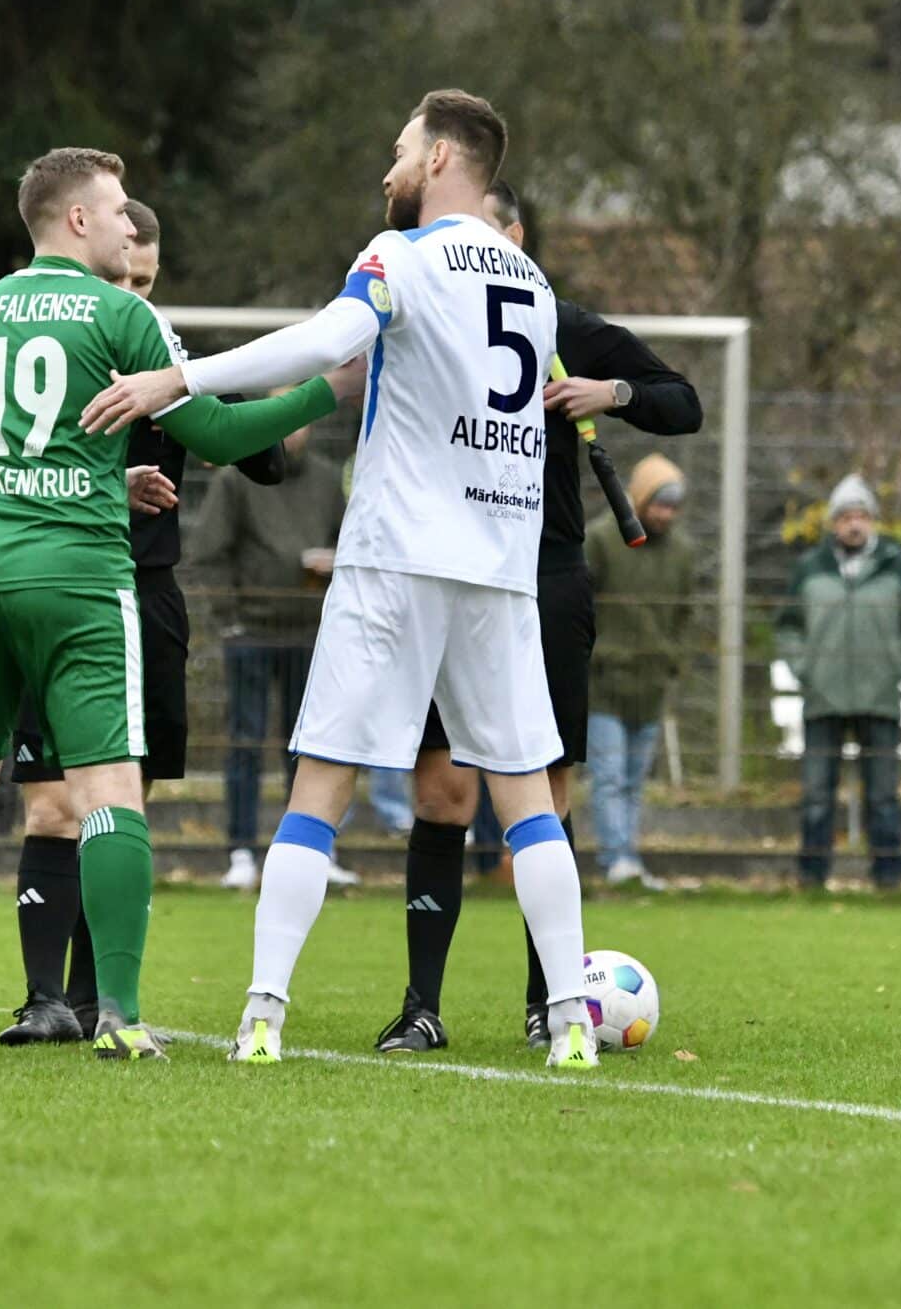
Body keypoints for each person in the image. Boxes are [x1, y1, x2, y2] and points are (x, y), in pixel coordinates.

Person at [90, 89, 600, 1068]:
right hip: (497, 569)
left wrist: (179, 378)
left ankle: (262, 1015)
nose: (387, 166)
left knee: (318, 788)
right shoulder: (532, 284)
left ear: (442, 156)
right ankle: (571, 1020)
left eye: (400, 147)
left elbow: (327, 341)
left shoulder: (397, 257)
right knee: (528, 800)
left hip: (396, 561)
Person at [0, 145, 354, 1061]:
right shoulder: (122, 313)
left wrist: (105, 471)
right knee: (109, 795)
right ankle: (120, 1016)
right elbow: (218, 434)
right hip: (73, 577)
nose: (126, 225)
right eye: (114, 211)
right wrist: (322, 388)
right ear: (75, 220)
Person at [376, 179, 703, 1054]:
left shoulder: (561, 320)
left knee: (542, 801)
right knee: (442, 792)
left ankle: (548, 1003)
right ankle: (421, 1006)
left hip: (545, 583)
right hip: (451, 573)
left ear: (517, 235)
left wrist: (611, 394)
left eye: (482, 228)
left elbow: (682, 401)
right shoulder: (426, 317)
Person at [0, 197, 292, 1046]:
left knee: (121, 805)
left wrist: (223, 377)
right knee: (52, 804)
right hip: (59, 581)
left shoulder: (161, 352)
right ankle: (42, 997)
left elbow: (262, 458)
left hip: (148, 593)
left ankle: (96, 999)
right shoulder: (50, 347)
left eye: (145, 283)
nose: (130, 293)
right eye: (120, 277)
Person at [186, 421, 347, 893]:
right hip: (251, 631)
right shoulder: (236, 478)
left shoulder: (324, 477)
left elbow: (350, 536)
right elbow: (209, 550)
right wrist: (229, 617)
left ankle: (317, 851)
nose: (294, 433)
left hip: (310, 630)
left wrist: (334, 563)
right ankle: (241, 850)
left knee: (310, 747)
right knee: (245, 741)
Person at [775, 474, 901, 890]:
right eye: (846, 516)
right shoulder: (810, 568)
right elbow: (787, 626)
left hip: (879, 695)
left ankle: (889, 879)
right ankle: (811, 879)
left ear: (873, 521)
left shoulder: (898, 565)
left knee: (882, 795)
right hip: (823, 696)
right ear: (832, 523)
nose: (854, 524)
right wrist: (805, 666)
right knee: (816, 795)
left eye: (862, 515)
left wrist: (897, 662)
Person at [585, 454, 695, 889]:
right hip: (604, 685)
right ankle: (615, 860)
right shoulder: (600, 539)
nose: (665, 514)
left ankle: (629, 857)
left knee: (633, 780)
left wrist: (672, 659)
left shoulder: (683, 552)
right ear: (639, 497)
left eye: (673, 506)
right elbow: (581, 602)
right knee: (609, 777)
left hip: (651, 685)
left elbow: (685, 615)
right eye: (659, 503)